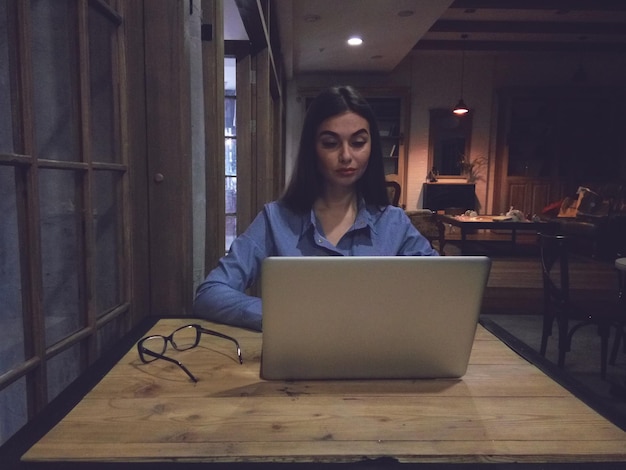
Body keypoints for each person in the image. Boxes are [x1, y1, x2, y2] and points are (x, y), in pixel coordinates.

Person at [193, 85, 438, 331]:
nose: (346, 155)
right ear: (312, 148)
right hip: (296, 358)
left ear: (372, 147)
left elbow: (443, 288)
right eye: (331, 143)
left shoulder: (393, 224)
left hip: (376, 357)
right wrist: (283, 315)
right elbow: (211, 293)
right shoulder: (275, 219)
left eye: (358, 142)